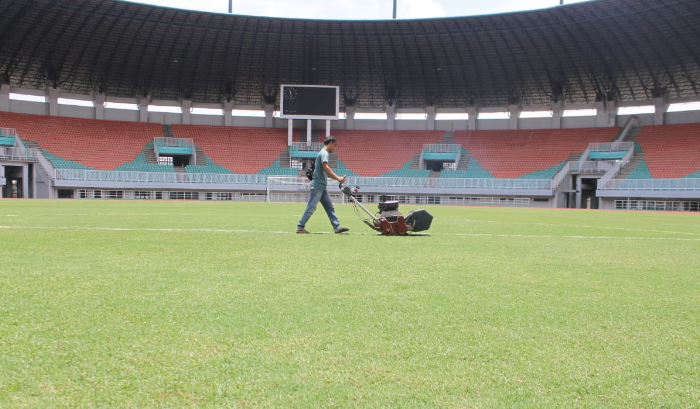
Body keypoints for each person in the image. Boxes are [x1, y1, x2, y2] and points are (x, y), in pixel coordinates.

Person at [296, 136, 350, 234]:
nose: (334, 148)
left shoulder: (321, 153)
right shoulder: (324, 153)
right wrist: (338, 178)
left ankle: (336, 227)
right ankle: (300, 227)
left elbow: (327, 172)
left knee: (330, 207)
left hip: (322, 187)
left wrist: (338, 179)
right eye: (334, 146)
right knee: (311, 207)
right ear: (331, 143)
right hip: (317, 187)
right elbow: (326, 167)